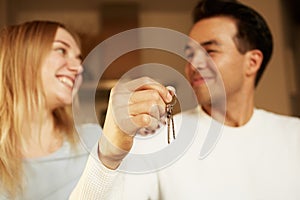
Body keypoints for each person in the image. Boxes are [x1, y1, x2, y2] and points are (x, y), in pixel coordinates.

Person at [71, 0, 300, 199]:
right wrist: (109, 153)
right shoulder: (157, 140)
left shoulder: (294, 135)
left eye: (210, 51)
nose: (193, 65)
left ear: (252, 62)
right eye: (189, 54)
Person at [0, 20, 101, 199]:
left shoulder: (93, 141)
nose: (79, 68)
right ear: (22, 57)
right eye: (61, 50)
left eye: (79, 58)